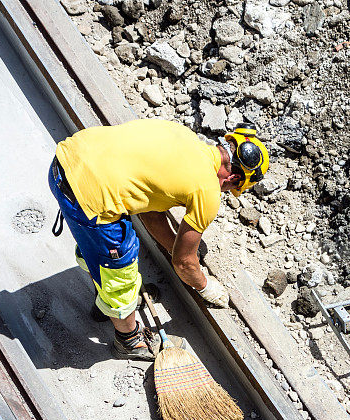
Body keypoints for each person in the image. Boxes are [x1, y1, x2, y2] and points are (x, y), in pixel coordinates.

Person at [48, 120, 269, 358]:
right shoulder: (207, 191)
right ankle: (129, 340)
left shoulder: (180, 133)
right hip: (87, 200)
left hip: (66, 163)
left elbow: (151, 214)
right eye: (231, 188)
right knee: (119, 268)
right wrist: (204, 286)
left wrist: (176, 249)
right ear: (232, 177)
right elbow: (184, 262)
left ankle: (106, 306)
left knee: (97, 249)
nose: (225, 192)